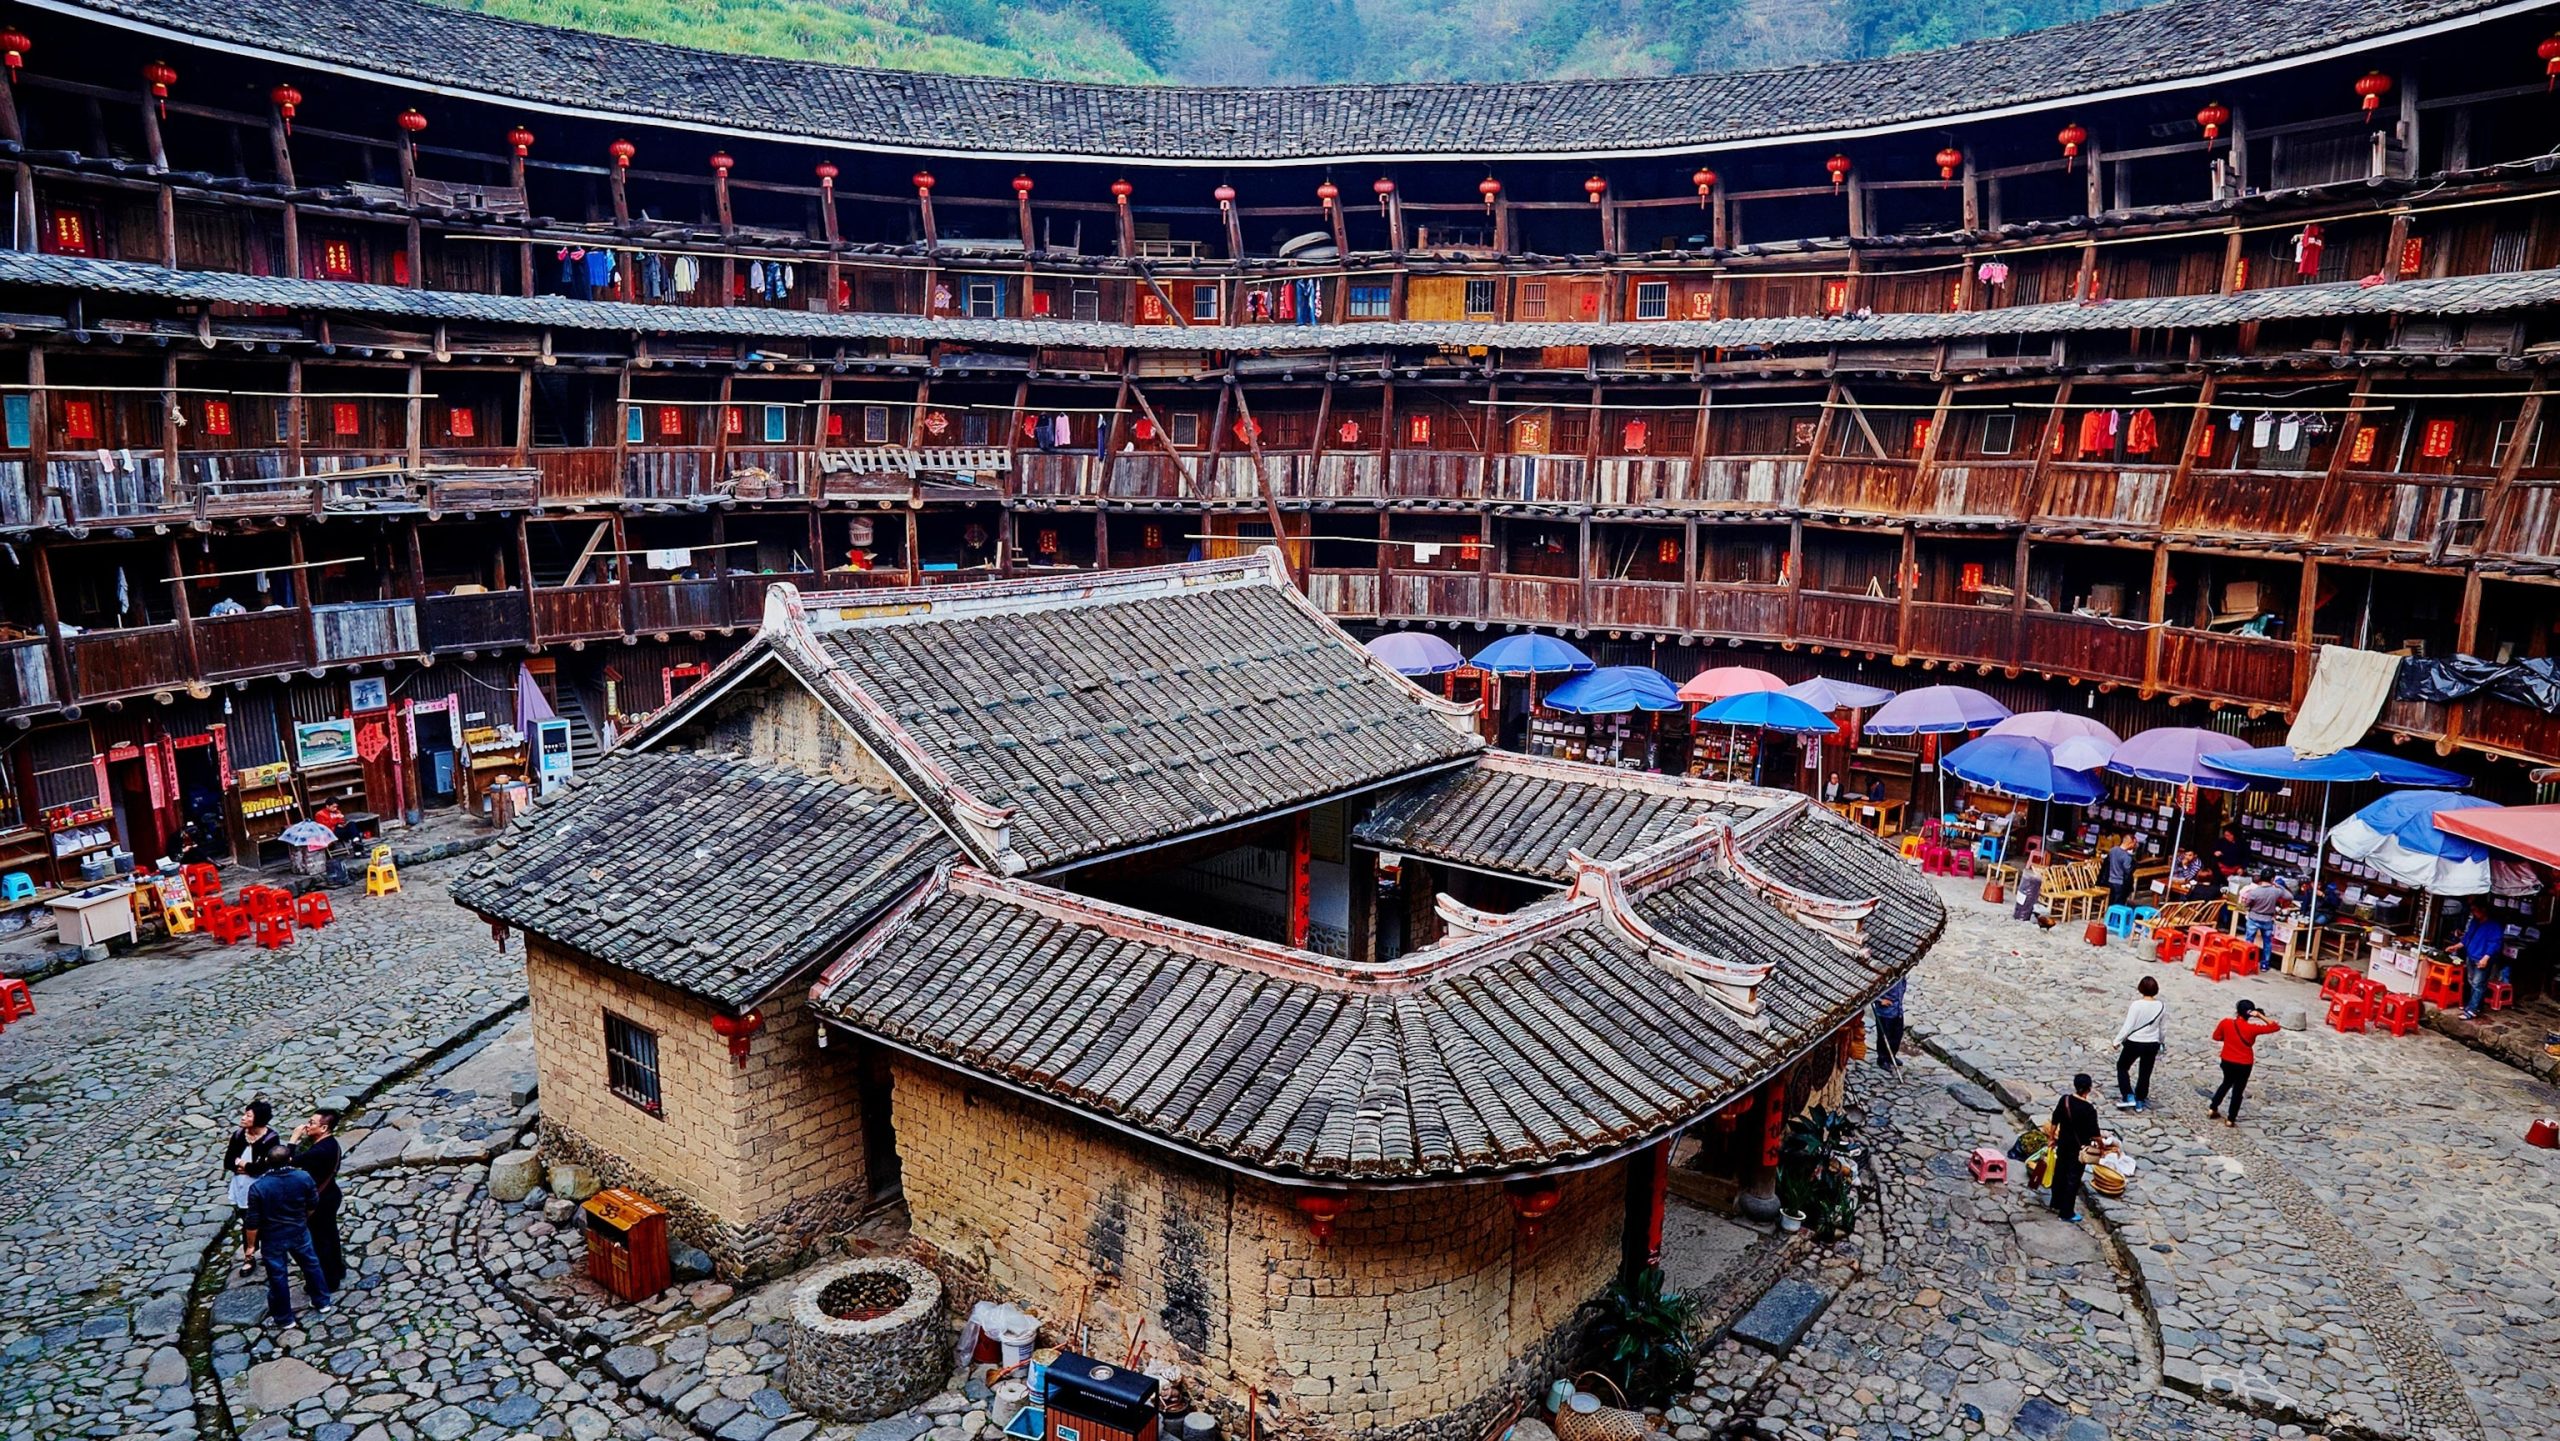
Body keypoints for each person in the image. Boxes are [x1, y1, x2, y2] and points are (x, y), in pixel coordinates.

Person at [243, 1142, 331, 1326]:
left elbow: (252, 1221)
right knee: (311, 1265)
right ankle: (322, 1301)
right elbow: (313, 1203)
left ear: (267, 1161)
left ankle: (284, 1318)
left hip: (272, 1237)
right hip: (298, 1230)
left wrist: (251, 1246)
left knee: (278, 1276)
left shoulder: (259, 1188)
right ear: (289, 1159)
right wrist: (302, 1219)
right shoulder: (303, 1177)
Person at [292, 1109, 346, 1290]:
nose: (307, 1126)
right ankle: (338, 1269)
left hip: (320, 1200)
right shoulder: (331, 1144)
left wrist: (293, 1139)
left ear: (323, 1128)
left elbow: (289, 1160)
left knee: (320, 1240)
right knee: (330, 1234)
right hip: (330, 1193)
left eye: (311, 1123)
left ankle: (330, 1280)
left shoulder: (318, 1151)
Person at [2207, 998, 2284, 1126]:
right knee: (2238, 1091)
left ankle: (2213, 1108)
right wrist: (2260, 1015)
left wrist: (2230, 1040)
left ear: (2237, 1011)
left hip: (2227, 1060)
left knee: (2226, 1083)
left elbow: (2216, 1037)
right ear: (2250, 1013)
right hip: (2244, 1064)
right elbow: (2275, 1027)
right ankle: (2231, 1119)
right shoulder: (2252, 1028)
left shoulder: (2226, 1023)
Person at [221, 1100, 275, 1275]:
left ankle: (269, 1253)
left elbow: (261, 1168)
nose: (244, 1118)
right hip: (242, 1186)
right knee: (247, 1222)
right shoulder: (239, 1136)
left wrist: (245, 1165)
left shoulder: (270, 1138)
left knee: (267, 1220)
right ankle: (249, 1256)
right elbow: (229, 1162)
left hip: (261, 1185)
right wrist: (246, 1166)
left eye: (248, 1115)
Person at [2047, 1074, 2103, 1223]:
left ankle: (2056, 1202)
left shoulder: (2064, 1100)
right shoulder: (2088, 1109)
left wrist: (2051, 1138)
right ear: (2089, 1089)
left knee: (2060, 1172)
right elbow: (2095, 1134)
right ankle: (2066, 1213)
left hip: (2063, 1143)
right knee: (2073, 1179)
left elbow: (2055, 1119)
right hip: (2079, 1149)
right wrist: (2102, 1147)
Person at [2113, 975, 2165, 1111]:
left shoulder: (2136, 1005)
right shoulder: (2161, 1006)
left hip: (2135, 1041)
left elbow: (2128, 1026)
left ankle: (2128, 1094)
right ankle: (2140, 1099)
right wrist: (2161, 1041)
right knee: (2145, 1072)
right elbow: (2162, 1028)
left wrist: (2117, 1040)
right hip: (2152, 1043)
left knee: (2122, 1067)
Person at [2455, 899, 2509, 1020]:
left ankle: (2472, 1009)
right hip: (2471, 955)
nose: (2473, 913)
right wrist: (2457, 946)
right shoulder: (2475, 921)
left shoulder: (2494, 926)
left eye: (2475, 910)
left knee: (2477, 984)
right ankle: (2477, 1006)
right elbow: (2468, 936)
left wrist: (2486, 957)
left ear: (2483, 910)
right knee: (2473, 981)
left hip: (2482, 958)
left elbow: (2495, 944)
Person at [2237, 873, 2294, 972]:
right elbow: (2290, 896)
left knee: (2249, 940)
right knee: (2267, 943)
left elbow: (2246, 904)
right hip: (2267, 920)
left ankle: (2246, 961)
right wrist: (2279, 885)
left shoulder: (2254, 892)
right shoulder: (2276, 891)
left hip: (2253, 918)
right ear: (2272, 879)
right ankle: (2264, 965)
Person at [1872, 977, 1907, 1071]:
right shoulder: (1884, 976)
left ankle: (1891, 1056)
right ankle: (1882, 1059)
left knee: (1897, 1036)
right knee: (1884, 1036)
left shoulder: (1901, 976)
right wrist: (1880, 1000)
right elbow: (1872, 992)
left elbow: (1903, 987)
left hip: (1897, 1010)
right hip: (1885, 1013)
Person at [2101, 836, 2138, 910]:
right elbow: (2127, 871)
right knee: (2118, 904)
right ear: (2130, 843)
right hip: (2120, 882)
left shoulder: (2113, 850)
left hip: (2111, 880)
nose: (2134, 846)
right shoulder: (2126, 857)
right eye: (2134, 844)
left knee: (2111, 902)